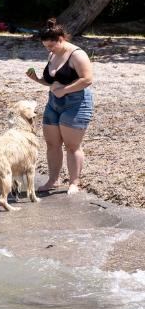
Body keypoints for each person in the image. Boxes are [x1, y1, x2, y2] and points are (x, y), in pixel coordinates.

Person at [26, 18, 94, 195]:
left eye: (52, 46)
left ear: (62, 39)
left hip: (76, 103)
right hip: (54, 103)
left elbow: (87, 80)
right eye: (46, 47)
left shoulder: (77, 54)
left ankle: (74, 182)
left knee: (72, 146)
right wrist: (37, 80)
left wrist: (64, 90)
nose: (49, 50)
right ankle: (53, 180)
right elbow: (51, 82)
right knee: (52, 144)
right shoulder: (52, 54)